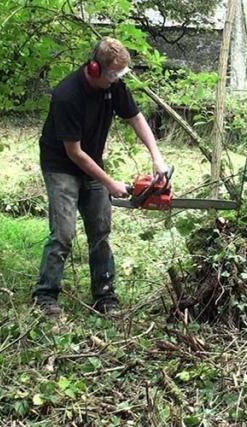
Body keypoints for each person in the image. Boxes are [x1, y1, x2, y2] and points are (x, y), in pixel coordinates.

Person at [33, 37, 168, 316]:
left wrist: (157, 157)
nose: (117, 79)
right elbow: (74, 153)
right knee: (63, 233)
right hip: (62, 166)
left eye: (121, 74)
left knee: (100, 231)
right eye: (113, 74)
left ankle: (105, 296)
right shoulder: (67, 95)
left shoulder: (114, 86)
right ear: (95, 68)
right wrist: (110, 182)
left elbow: (135, 118)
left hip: (91, 162)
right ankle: (45, 296)